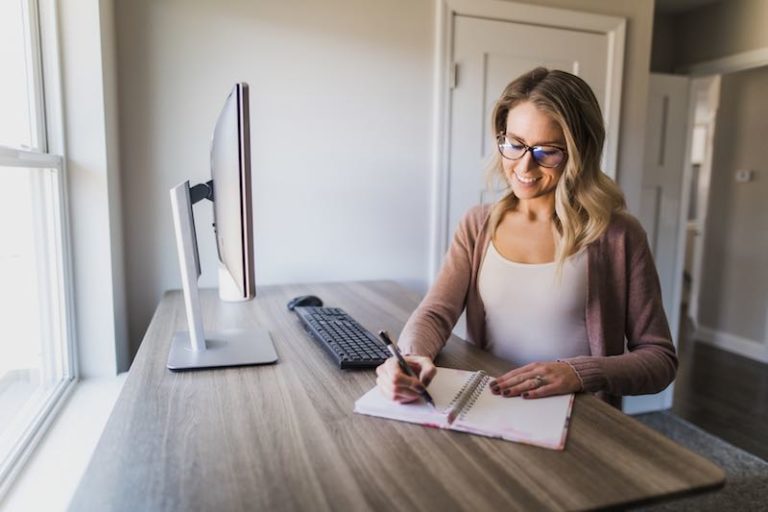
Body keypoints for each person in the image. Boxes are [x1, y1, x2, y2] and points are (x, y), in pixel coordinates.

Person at [376, 67, 677, 409]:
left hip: (582, 420)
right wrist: (412, 357)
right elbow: (435, 313)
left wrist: (577, 373)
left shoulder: (618, 235)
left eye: (546, 151)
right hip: (491, 407)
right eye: (515, 144)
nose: (524, 167)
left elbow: (660, 360)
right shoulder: (478, 224)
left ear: (581, 152)